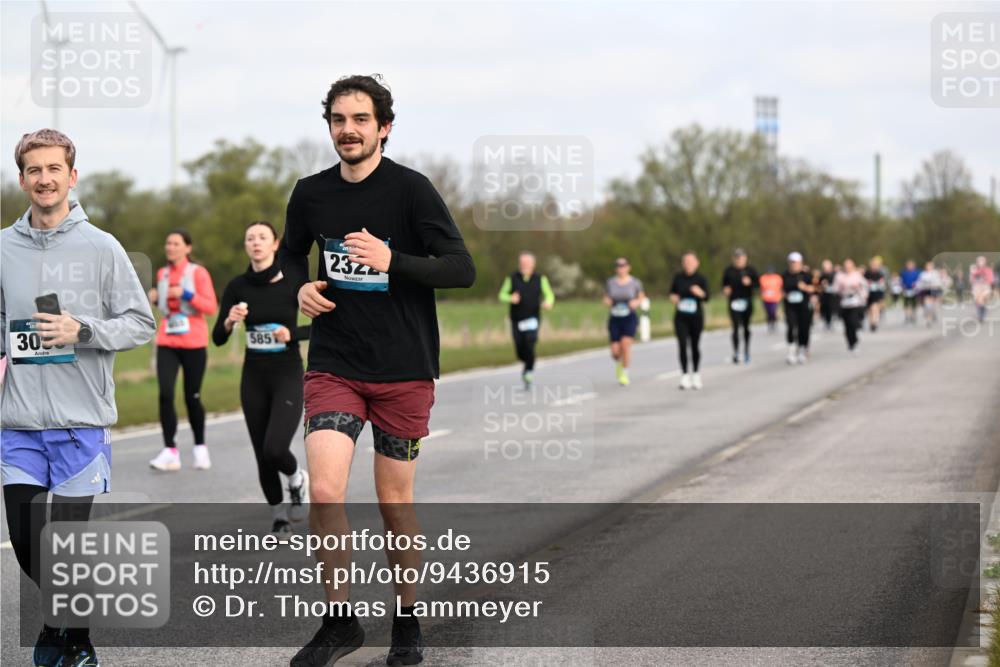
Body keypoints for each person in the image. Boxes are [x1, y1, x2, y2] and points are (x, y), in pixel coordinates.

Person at [280, 75, 475, 667]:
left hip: (403, 368)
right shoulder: (311, 193)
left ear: (383, 127)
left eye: (361, 119)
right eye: (339, 120)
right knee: (327, 489)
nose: (349, 130)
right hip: (335, 362)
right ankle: (339, 621)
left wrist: (395, 260)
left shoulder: (412, 192)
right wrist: (301, 287)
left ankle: (407, 621)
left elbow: (460, 268)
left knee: (394, 504)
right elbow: (291, 253)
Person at [1, 129, 156, 667]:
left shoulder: (102, 246)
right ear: (22, 179)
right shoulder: (2, 247)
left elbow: (140, 323)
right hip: (17, 423)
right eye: (33, 170)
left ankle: (70, 637)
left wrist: (81, 331)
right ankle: (70, 617)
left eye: (54, 168)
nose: (44, 179)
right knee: (27, 546)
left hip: (79, 423)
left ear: (72, 175)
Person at [212, 221, 311, 535]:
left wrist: (291, 334)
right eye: (250, 238)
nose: (255, 242)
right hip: (253, 375)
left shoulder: (292, 284)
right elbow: (217, 337)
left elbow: (324, 325)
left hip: (287, 372)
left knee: (275, 447)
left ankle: (297, 479)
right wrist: (229, 321)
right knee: (261, 453)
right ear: (246, 246)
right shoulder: (237, 287)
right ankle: (278, 516)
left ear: (275, 244)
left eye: (262, 238)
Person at [147, 230, 218, 472]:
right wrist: (156, 300)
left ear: (187, 248)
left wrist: (187, 294)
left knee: (192, 396)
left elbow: (210, 307)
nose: (170, 247)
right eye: (168, 243)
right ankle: (170, 451)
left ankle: (200, 447)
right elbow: (168, 308)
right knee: (165, 394)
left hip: (194, 343)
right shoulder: (162, 273)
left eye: (176, 243)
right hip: (167, 341)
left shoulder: (198, 273)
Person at [498, 251, 555, 388]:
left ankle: (528, 371)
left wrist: (548, 302)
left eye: (527, 263)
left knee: (530, 343)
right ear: (519, 264)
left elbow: (549, 295)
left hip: (533, 318)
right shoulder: (511, 278)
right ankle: (528, 362)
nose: (524, 265)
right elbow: (501, 295)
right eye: (522, 263)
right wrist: (511, 298)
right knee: (520, 349)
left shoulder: (541, 279)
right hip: (516, 320)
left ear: (533, 265)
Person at [603, 257, 645, 386]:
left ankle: (625, 374)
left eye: (623, 266)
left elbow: (642, 297)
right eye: (618, 266)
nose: (621, 268)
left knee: (626, 345)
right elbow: (606, 297)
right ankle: (619, 363)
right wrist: (607, 301)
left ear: (628, 267)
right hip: (615, 317)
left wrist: (636, 302)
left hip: (629, 316)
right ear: (616, 269)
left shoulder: (635, 282)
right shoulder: (611, 282)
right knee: (615, 352)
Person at [671, 252, 710, 389]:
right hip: (681, 317)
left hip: (696, 316)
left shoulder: (701, 279)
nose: (688, 264)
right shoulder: (678, 278)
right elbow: (672, 293)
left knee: (694, 345)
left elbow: (707, 297)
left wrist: (700, 293)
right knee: (682, 344)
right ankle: (684, 376)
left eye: (690, 262)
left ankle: (696, 374)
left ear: (696, 263)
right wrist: (674, 298)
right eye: (685, 262)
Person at [721, 248, 758, 364]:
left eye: (741, 258)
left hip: (747, 302)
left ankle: (746, 350)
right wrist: (726, 290)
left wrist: (750, 283)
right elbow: (724, 284)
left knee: (746, 328)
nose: (739, 261)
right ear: (734, 259)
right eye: (737, 258)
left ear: (745, 259)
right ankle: (736, 352)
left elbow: (757, 285)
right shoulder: (729, 271)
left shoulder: (751, 271)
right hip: (734, 302)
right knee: (736, 327)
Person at [782, 252, 815, 364]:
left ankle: (802, 349)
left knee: (803, 328)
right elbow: (781, 289)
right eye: (792, 263)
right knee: (791, 327)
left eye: (796, 263)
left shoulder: (806, 275)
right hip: (790, 306)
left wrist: (805, 287)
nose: (794, 265)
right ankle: (791, 351)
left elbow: (814, 289)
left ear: (801, 263)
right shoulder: (785, 275)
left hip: (804, 306)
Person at [832, 258, 868, 355]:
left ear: (853, 266)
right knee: (847, 325)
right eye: (846, 266)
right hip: (844, 302)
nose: (847, 268)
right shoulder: (839, 276)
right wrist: (841, 287)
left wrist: (860, 290)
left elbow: (864, 287)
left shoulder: (857, 275)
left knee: (853, 322)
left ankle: (855, 341)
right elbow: (834, 289)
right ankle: (850, 343)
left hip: (855, 302)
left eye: (849, 266)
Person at [863, 256, 889, 332]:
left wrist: (880, 284)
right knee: (869, 310)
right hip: (868, 293)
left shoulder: (880, 274)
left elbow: (883, 283)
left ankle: (875, 322)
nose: (874, 266)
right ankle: (871, 322)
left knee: (875, 308)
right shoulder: (866, 273)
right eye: (872, 265)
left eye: (875, 265)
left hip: (877, 293)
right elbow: (863, 282)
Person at [916, 260, 944, 326]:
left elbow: (940, 282)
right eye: (927, 266)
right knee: (927, 305)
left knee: (934, 306)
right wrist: (918, 287)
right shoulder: (923, 274)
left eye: (930, 266)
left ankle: (933, 315)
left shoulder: (935, 273)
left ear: (932, 266)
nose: (928, 267)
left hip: (934, 290)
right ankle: (928, 320)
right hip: (926, 290)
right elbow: (919, 282)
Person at [970, 255, 995, 323]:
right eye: (979, 261)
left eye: (982, 261)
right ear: (977, 262)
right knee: (978, 301)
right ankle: (980, 316)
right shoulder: (974, 269)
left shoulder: (988, 269)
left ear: (985, 262)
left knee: (983, 301)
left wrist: (986, 278)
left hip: (985, 287)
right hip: (977, 287)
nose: (980, 262)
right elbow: (971, 279)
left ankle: (982, 315)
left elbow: (991, 280)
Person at [758, 266, 782, 333]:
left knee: (773, 311)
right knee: (768, 312)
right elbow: (761, 287)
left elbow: (781, 287)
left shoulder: (778, 278)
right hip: (765, 298)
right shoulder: (763, 278)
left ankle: (774, 322)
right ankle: (769, 323)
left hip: (775, 298)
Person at [818, 259, 838, 331]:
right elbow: (818, 285)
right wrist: (822, 285)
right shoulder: (821, 275)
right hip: (824, 295)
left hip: (833, 295)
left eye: (827, 267)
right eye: (825, 267)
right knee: (824, 308)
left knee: (831, 308)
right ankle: (826, 321)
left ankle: (830, 321)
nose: (826, 269)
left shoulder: (835, 275)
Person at [900, 259, 921, 325]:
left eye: (911, 265)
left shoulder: (917, 273)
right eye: (908, 265)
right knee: (906, 304)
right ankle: (907, 316)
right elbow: (901, 281)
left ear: (914, 266)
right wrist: (903, 286)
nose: (909, 266)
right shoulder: (904, 273)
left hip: (914, 290)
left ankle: (913, 315)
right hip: (906, 290)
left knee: (914, 303)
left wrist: (916, 285)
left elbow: (919, 281)